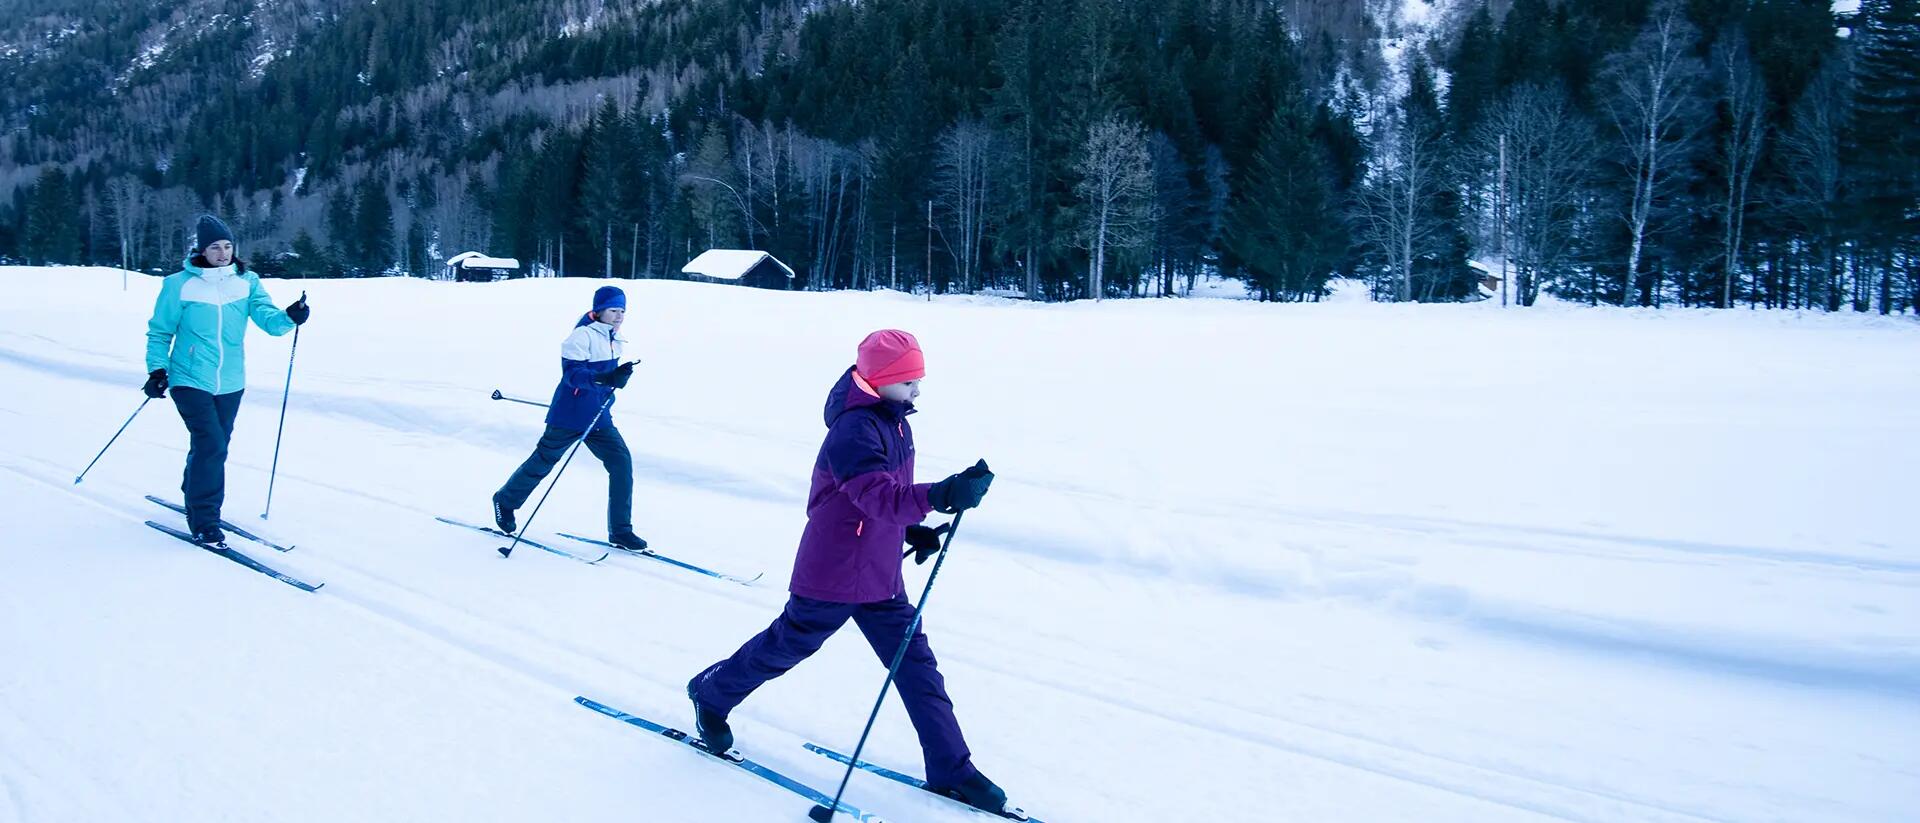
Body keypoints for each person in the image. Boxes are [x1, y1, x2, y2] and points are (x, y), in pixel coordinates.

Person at [685, 329, 1009, 814]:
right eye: (909, 382)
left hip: (879, 573)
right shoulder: (853, 429)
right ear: (880, 381)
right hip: (833, 571)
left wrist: (910, 530)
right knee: (785, 647)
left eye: (918, 380)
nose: (918, 391)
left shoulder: (896, 421)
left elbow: (887, 495)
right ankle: (711, 694)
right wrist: (939, 496)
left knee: (917, 666)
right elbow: (875, 497)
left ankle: (950, 767)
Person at [143, 214, 309, 544]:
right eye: (216, 247)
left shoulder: (247, 281)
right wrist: (157, 370)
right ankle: (205, 520)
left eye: (228, 246)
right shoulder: (179, 285)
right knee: (211, 445)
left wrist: (290, 316)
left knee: (213, 446)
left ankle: (194, 490)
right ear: (202, 250)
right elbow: (160, 332)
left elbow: (270, 321)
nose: (223, 253)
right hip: (189, 378)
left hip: (232, 381)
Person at [492, 286, 646, 552]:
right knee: (543, 463)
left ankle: (621, 531)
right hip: (570, 414)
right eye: (614, 310)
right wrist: (605, 378)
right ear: (599, 311)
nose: (619, 316)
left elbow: (605, 380)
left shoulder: (615, 338)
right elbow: (573, 376)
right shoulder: (581, 336)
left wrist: (618, 378)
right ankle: (505, 501)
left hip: (598, 416)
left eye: (623, 311)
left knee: (621, 463)